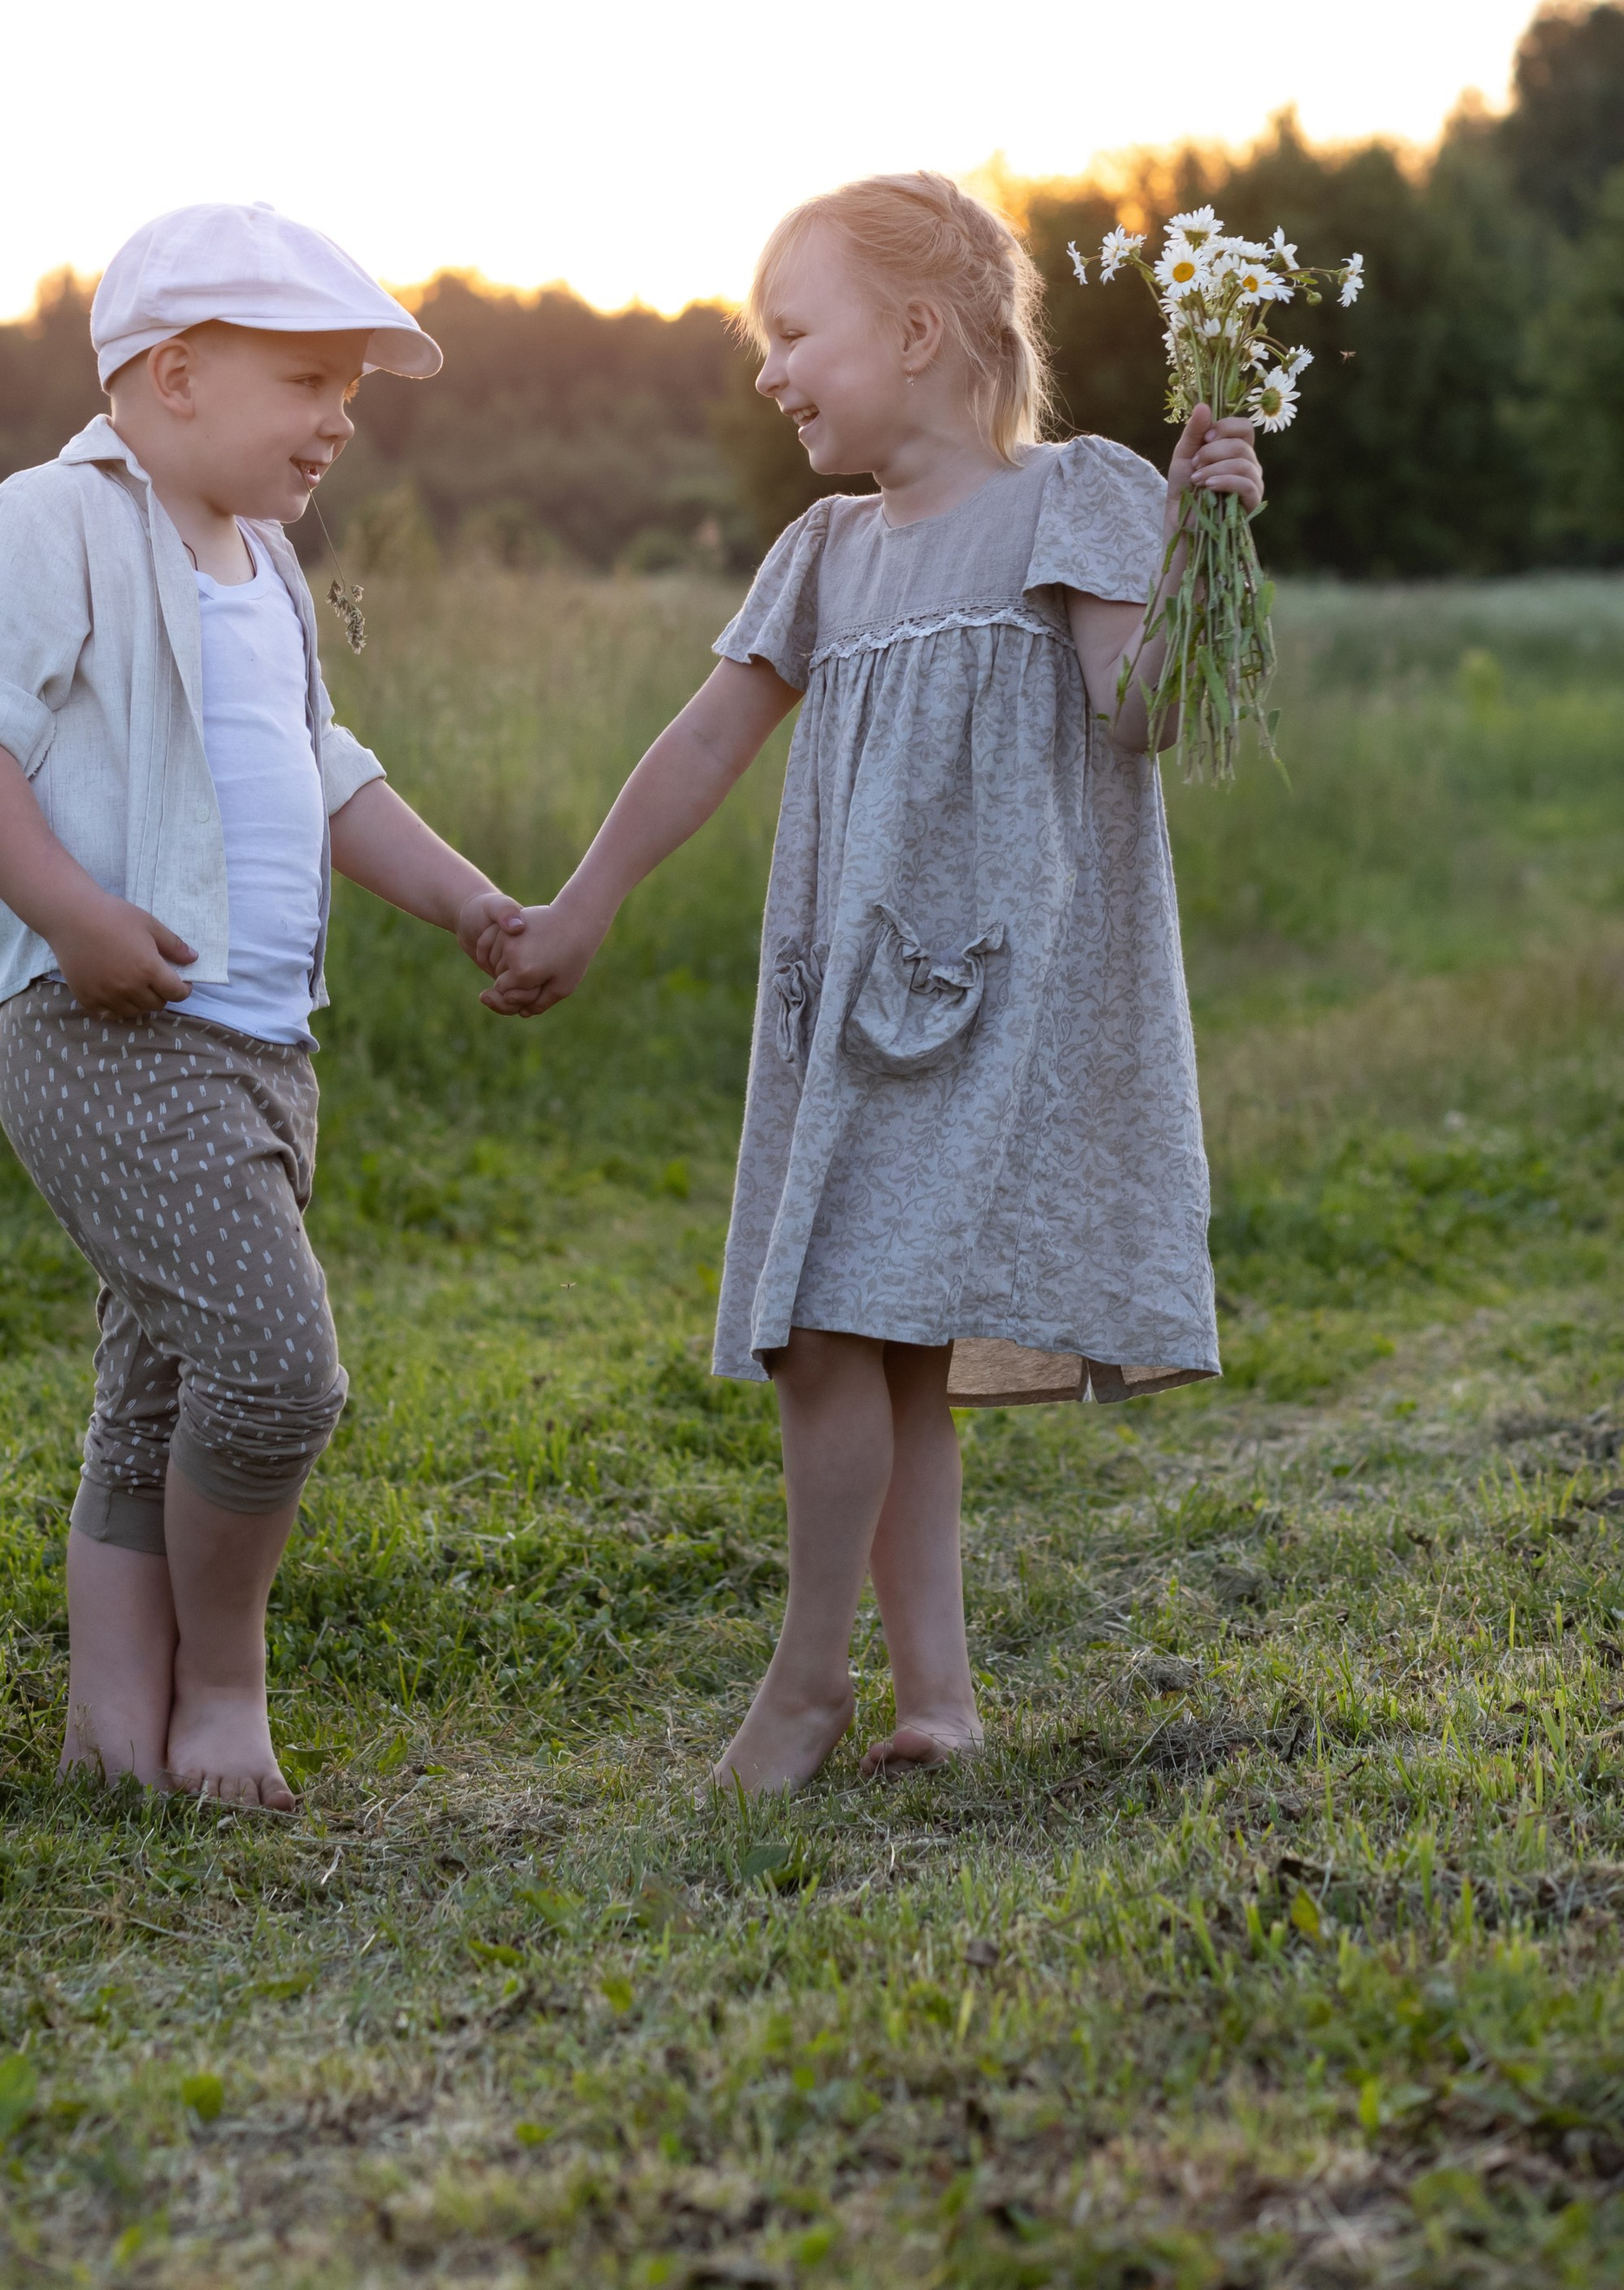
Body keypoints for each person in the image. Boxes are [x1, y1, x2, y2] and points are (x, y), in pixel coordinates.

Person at [474, 172, 1258, 1793]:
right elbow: (704, 741)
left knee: (836, 1321)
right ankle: (938, 1703)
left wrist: (1209, 538)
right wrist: (585, 902)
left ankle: (806, 1683)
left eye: (792, 332)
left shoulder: (1077, 498)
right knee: (865, 1338)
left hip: (994, 1003)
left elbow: (1142, 713)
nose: (770, 370)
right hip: (848, 1005)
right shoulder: (824, 551)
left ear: (914, 333)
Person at [0, 202, 520, 1812]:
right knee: (276, 1368)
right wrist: (75, 915)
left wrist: (462, 896)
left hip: (259, 1044)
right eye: (310, 381)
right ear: (175, 375)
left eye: (352, 394)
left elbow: (323, 773)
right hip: (108, 1031)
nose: (339, 420)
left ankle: (115, 1734)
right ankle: (224, 1697)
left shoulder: (266, 563)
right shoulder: (56, 520)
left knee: (161, 1388)